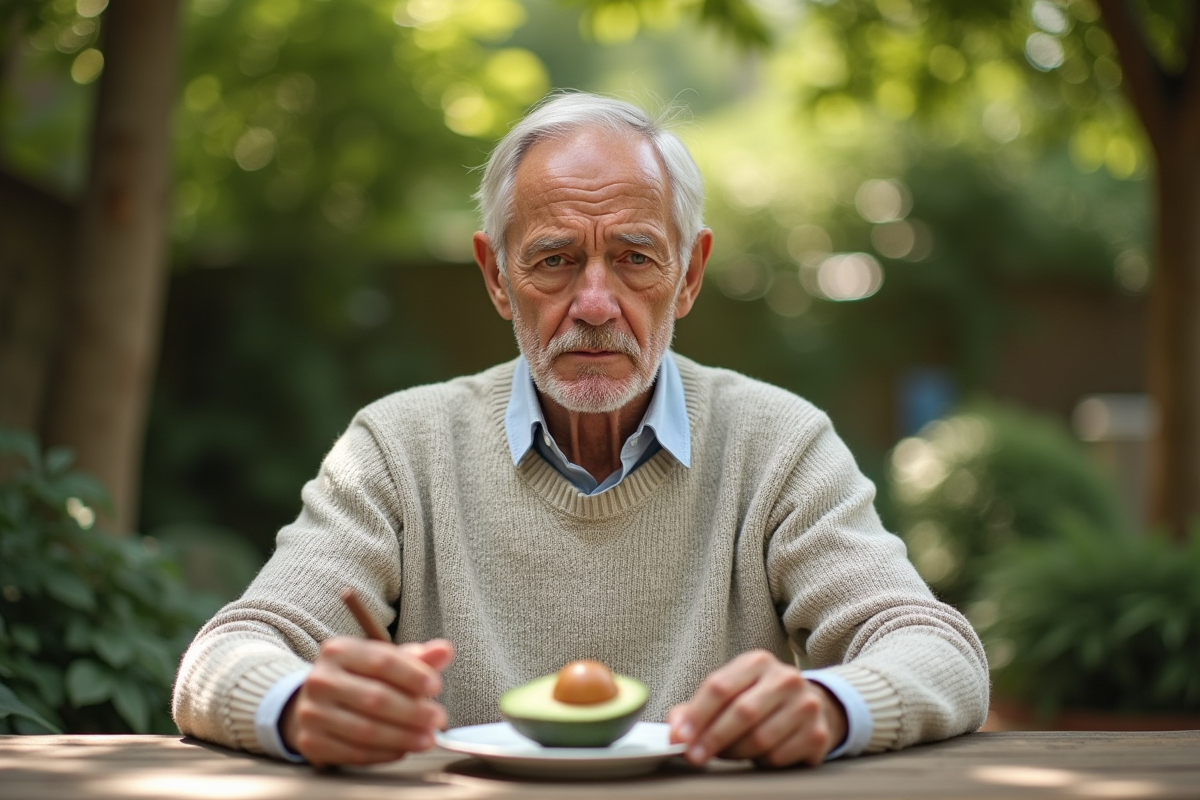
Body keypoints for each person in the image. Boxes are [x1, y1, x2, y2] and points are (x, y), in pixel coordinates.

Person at [172, 91, 988, 770]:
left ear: (690, 274)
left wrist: (829, 705)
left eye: (635, 258)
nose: (595, 305)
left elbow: (936, 649)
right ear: (497, 276)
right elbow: (228, 653)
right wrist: (297, 706)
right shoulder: (398, 448)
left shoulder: (780, 444)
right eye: (556, 260)